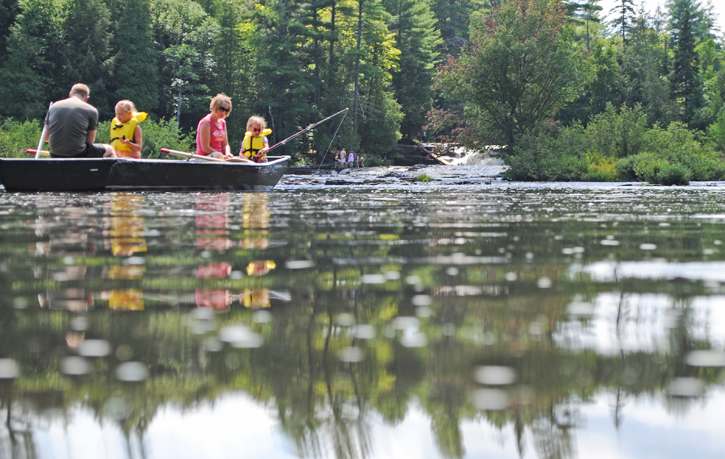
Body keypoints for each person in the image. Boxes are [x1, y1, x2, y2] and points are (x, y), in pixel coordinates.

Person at [44, 83, 116, 158]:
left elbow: (46, 137)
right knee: (110, 149)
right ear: (86, 98)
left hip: (54, 153)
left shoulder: (53, 106)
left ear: (70, 94)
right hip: (78, 153)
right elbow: (90, 141)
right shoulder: (91, 110)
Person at [197, 93, 234, 160]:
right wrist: (220, 155)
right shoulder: (206, 122)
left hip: (219, 157)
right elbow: (205, 147)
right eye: (221, 109)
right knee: (217, 155)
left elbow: (225, 144)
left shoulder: (222, 122)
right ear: (214, 106)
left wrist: (227, 153)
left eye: (226, 110)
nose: (223, 113)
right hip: (204, 158)